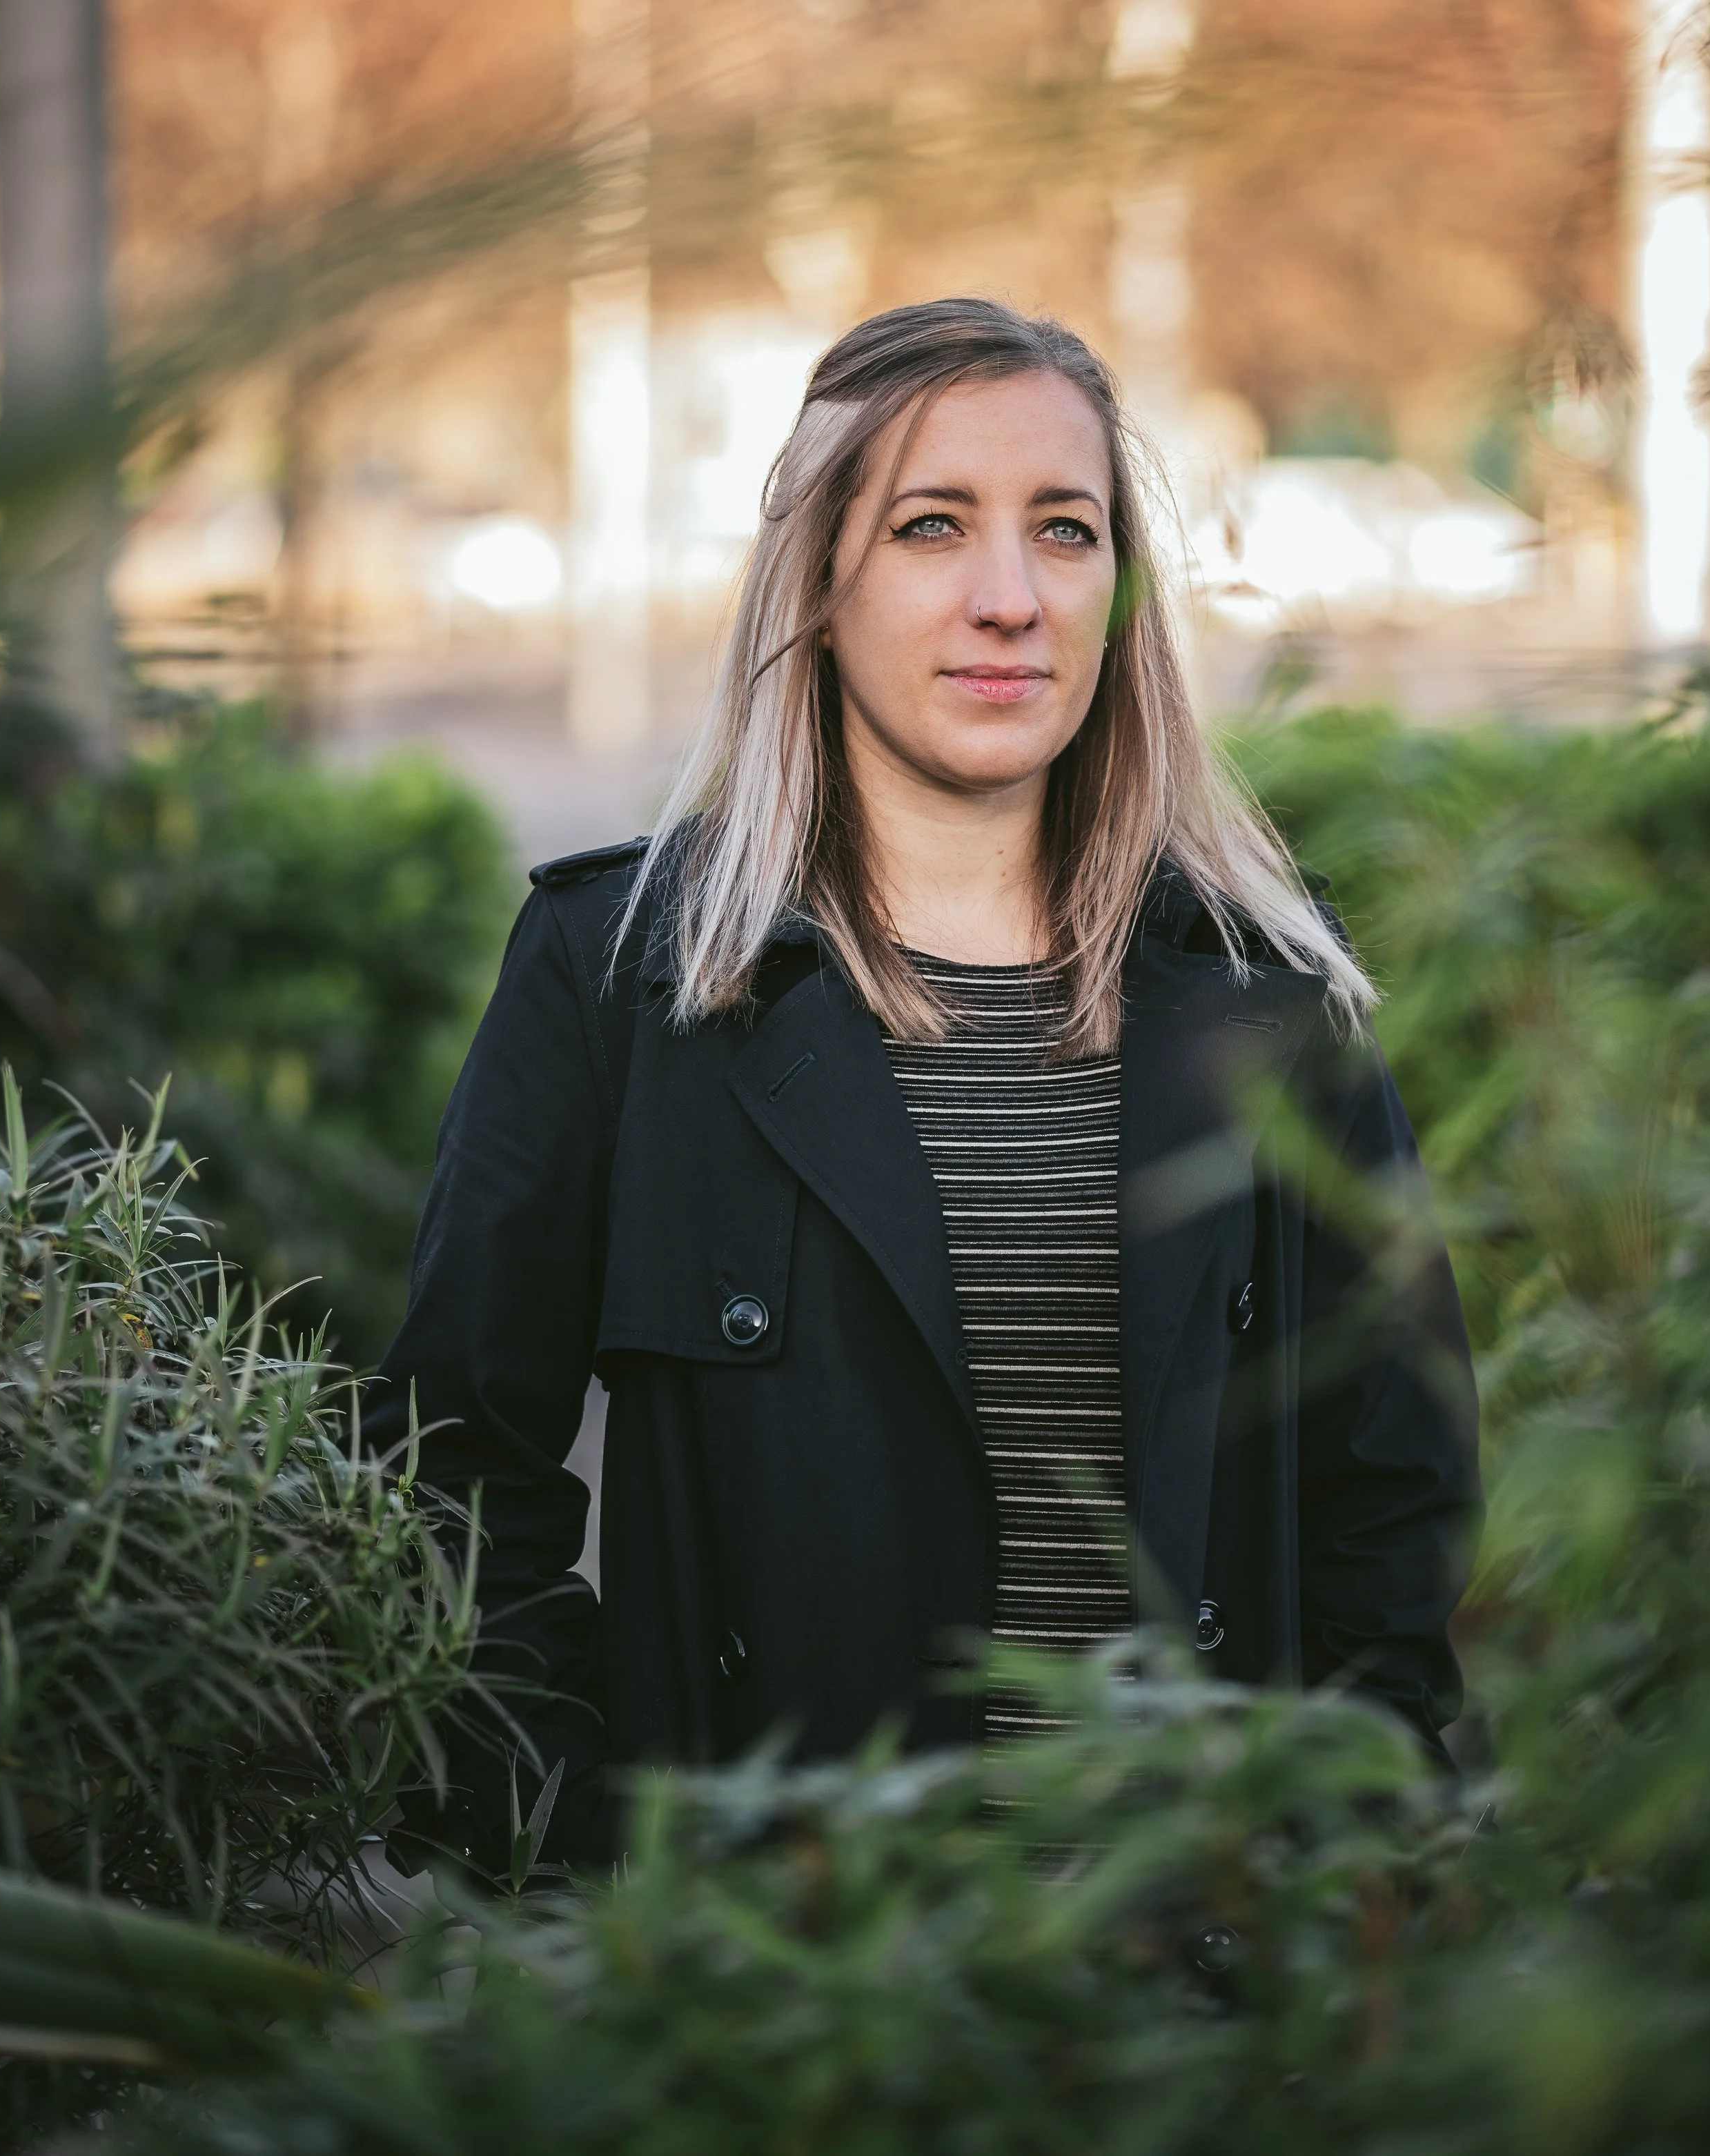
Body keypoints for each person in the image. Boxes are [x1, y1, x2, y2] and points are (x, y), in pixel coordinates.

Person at [370, 296, 1481, 1875]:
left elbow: (1392, 1501)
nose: (1008, 597)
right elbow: (451, 1469)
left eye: (1064, 530)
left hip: (1187, 1959)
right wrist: (583, 1848)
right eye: (930, 525)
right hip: (784, 1972)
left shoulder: (1270, 995)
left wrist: (1333, 1868)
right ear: (819, 582)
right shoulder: (621, 980)